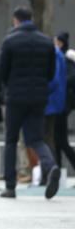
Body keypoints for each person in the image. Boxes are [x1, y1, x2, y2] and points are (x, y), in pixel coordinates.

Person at [0, 7, 60, 199]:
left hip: (15, 98)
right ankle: (51, 166)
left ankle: (10, 187)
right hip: (38, 97)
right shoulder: (46, 41)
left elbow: (1, 72)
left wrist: (3, 93)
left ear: (16, 21)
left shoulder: (10, 41)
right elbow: (51, 73)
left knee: (11, 140)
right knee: (36, 139)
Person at [51, 32, 75, 183]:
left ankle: (57, 171)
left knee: (61, 141)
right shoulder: (64, 59)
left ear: (60, 43)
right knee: (57, 141)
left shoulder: (65, 60)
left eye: (55, 42)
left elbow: (70, 79)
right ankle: (57, 172)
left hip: (61, 105)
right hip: (60, 105)